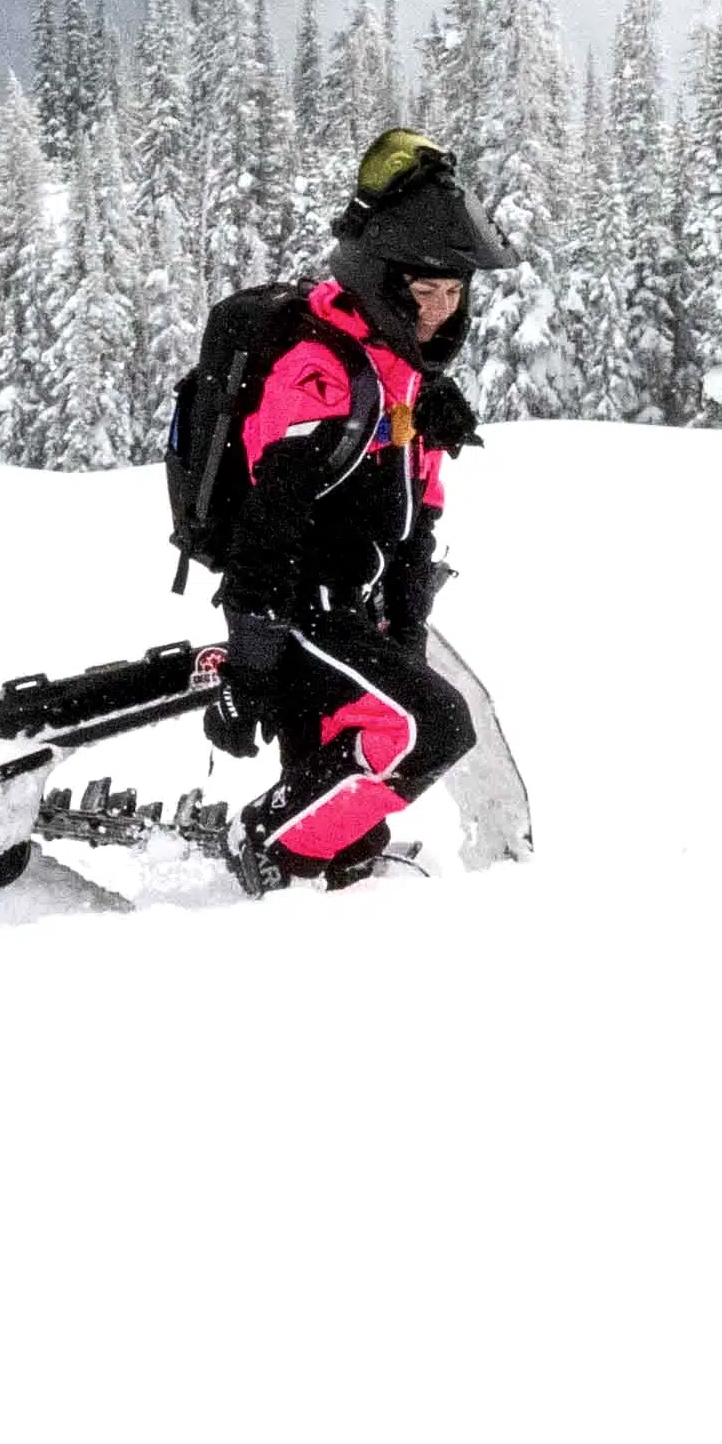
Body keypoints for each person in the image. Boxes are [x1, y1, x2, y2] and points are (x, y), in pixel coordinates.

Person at [180, 128, 501, 889]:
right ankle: (263, 847)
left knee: (355, 819)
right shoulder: (322, 373)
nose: (438, 312)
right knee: (437, 726)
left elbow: (418, 519)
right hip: (301, 612)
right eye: (424, 293)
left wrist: (408, 633)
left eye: (453, 294)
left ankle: (321, 870)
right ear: (382, 279)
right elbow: (267, 524)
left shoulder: (405, 379)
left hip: (352, 613)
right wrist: (253, 665)